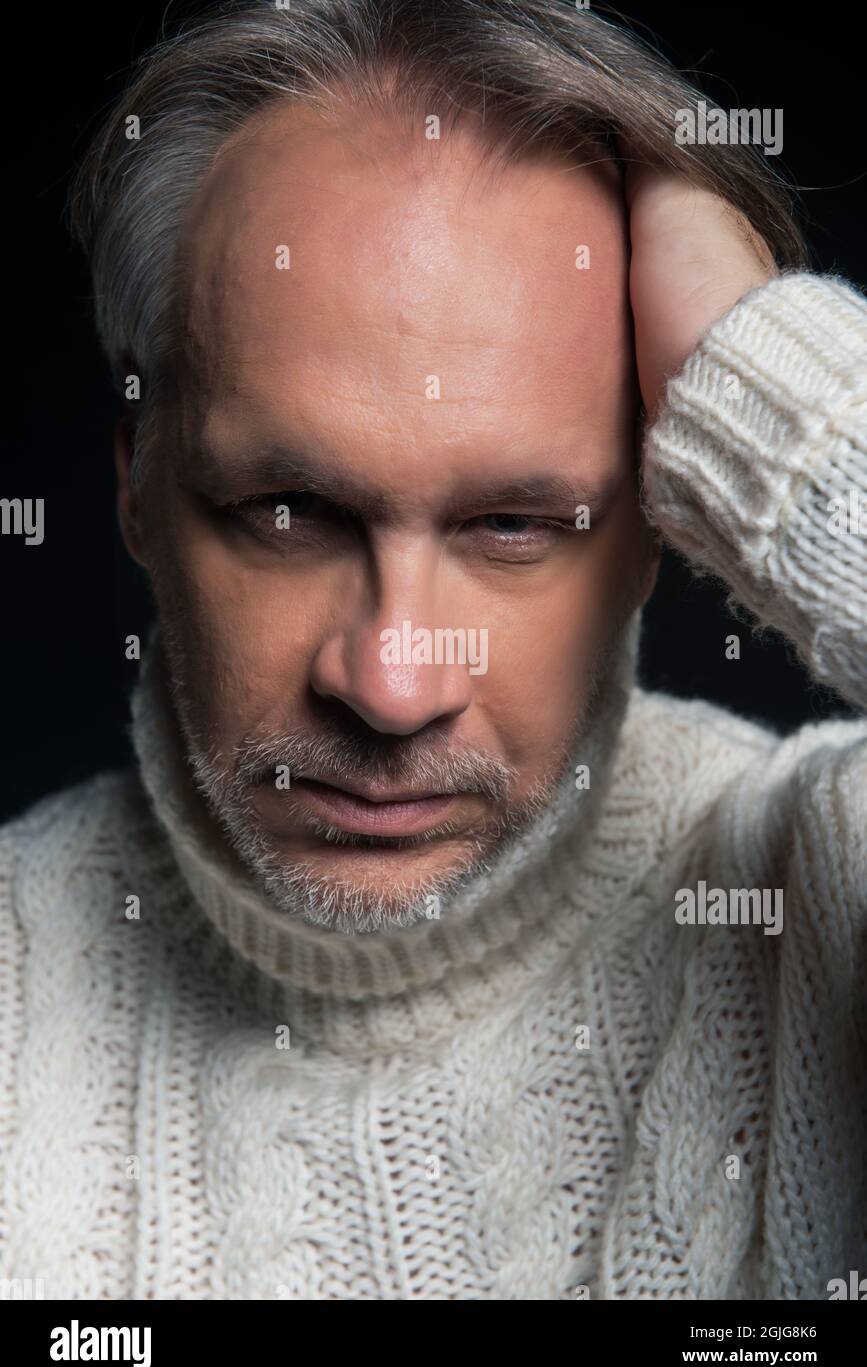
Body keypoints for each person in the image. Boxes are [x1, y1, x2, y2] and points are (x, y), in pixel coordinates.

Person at [1, 0, 864, 1300]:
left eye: (513, 522)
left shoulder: (825, 889)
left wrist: (787, 415)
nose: (393, 683)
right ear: (139, 484)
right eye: (287, 512)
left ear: (669, 517)